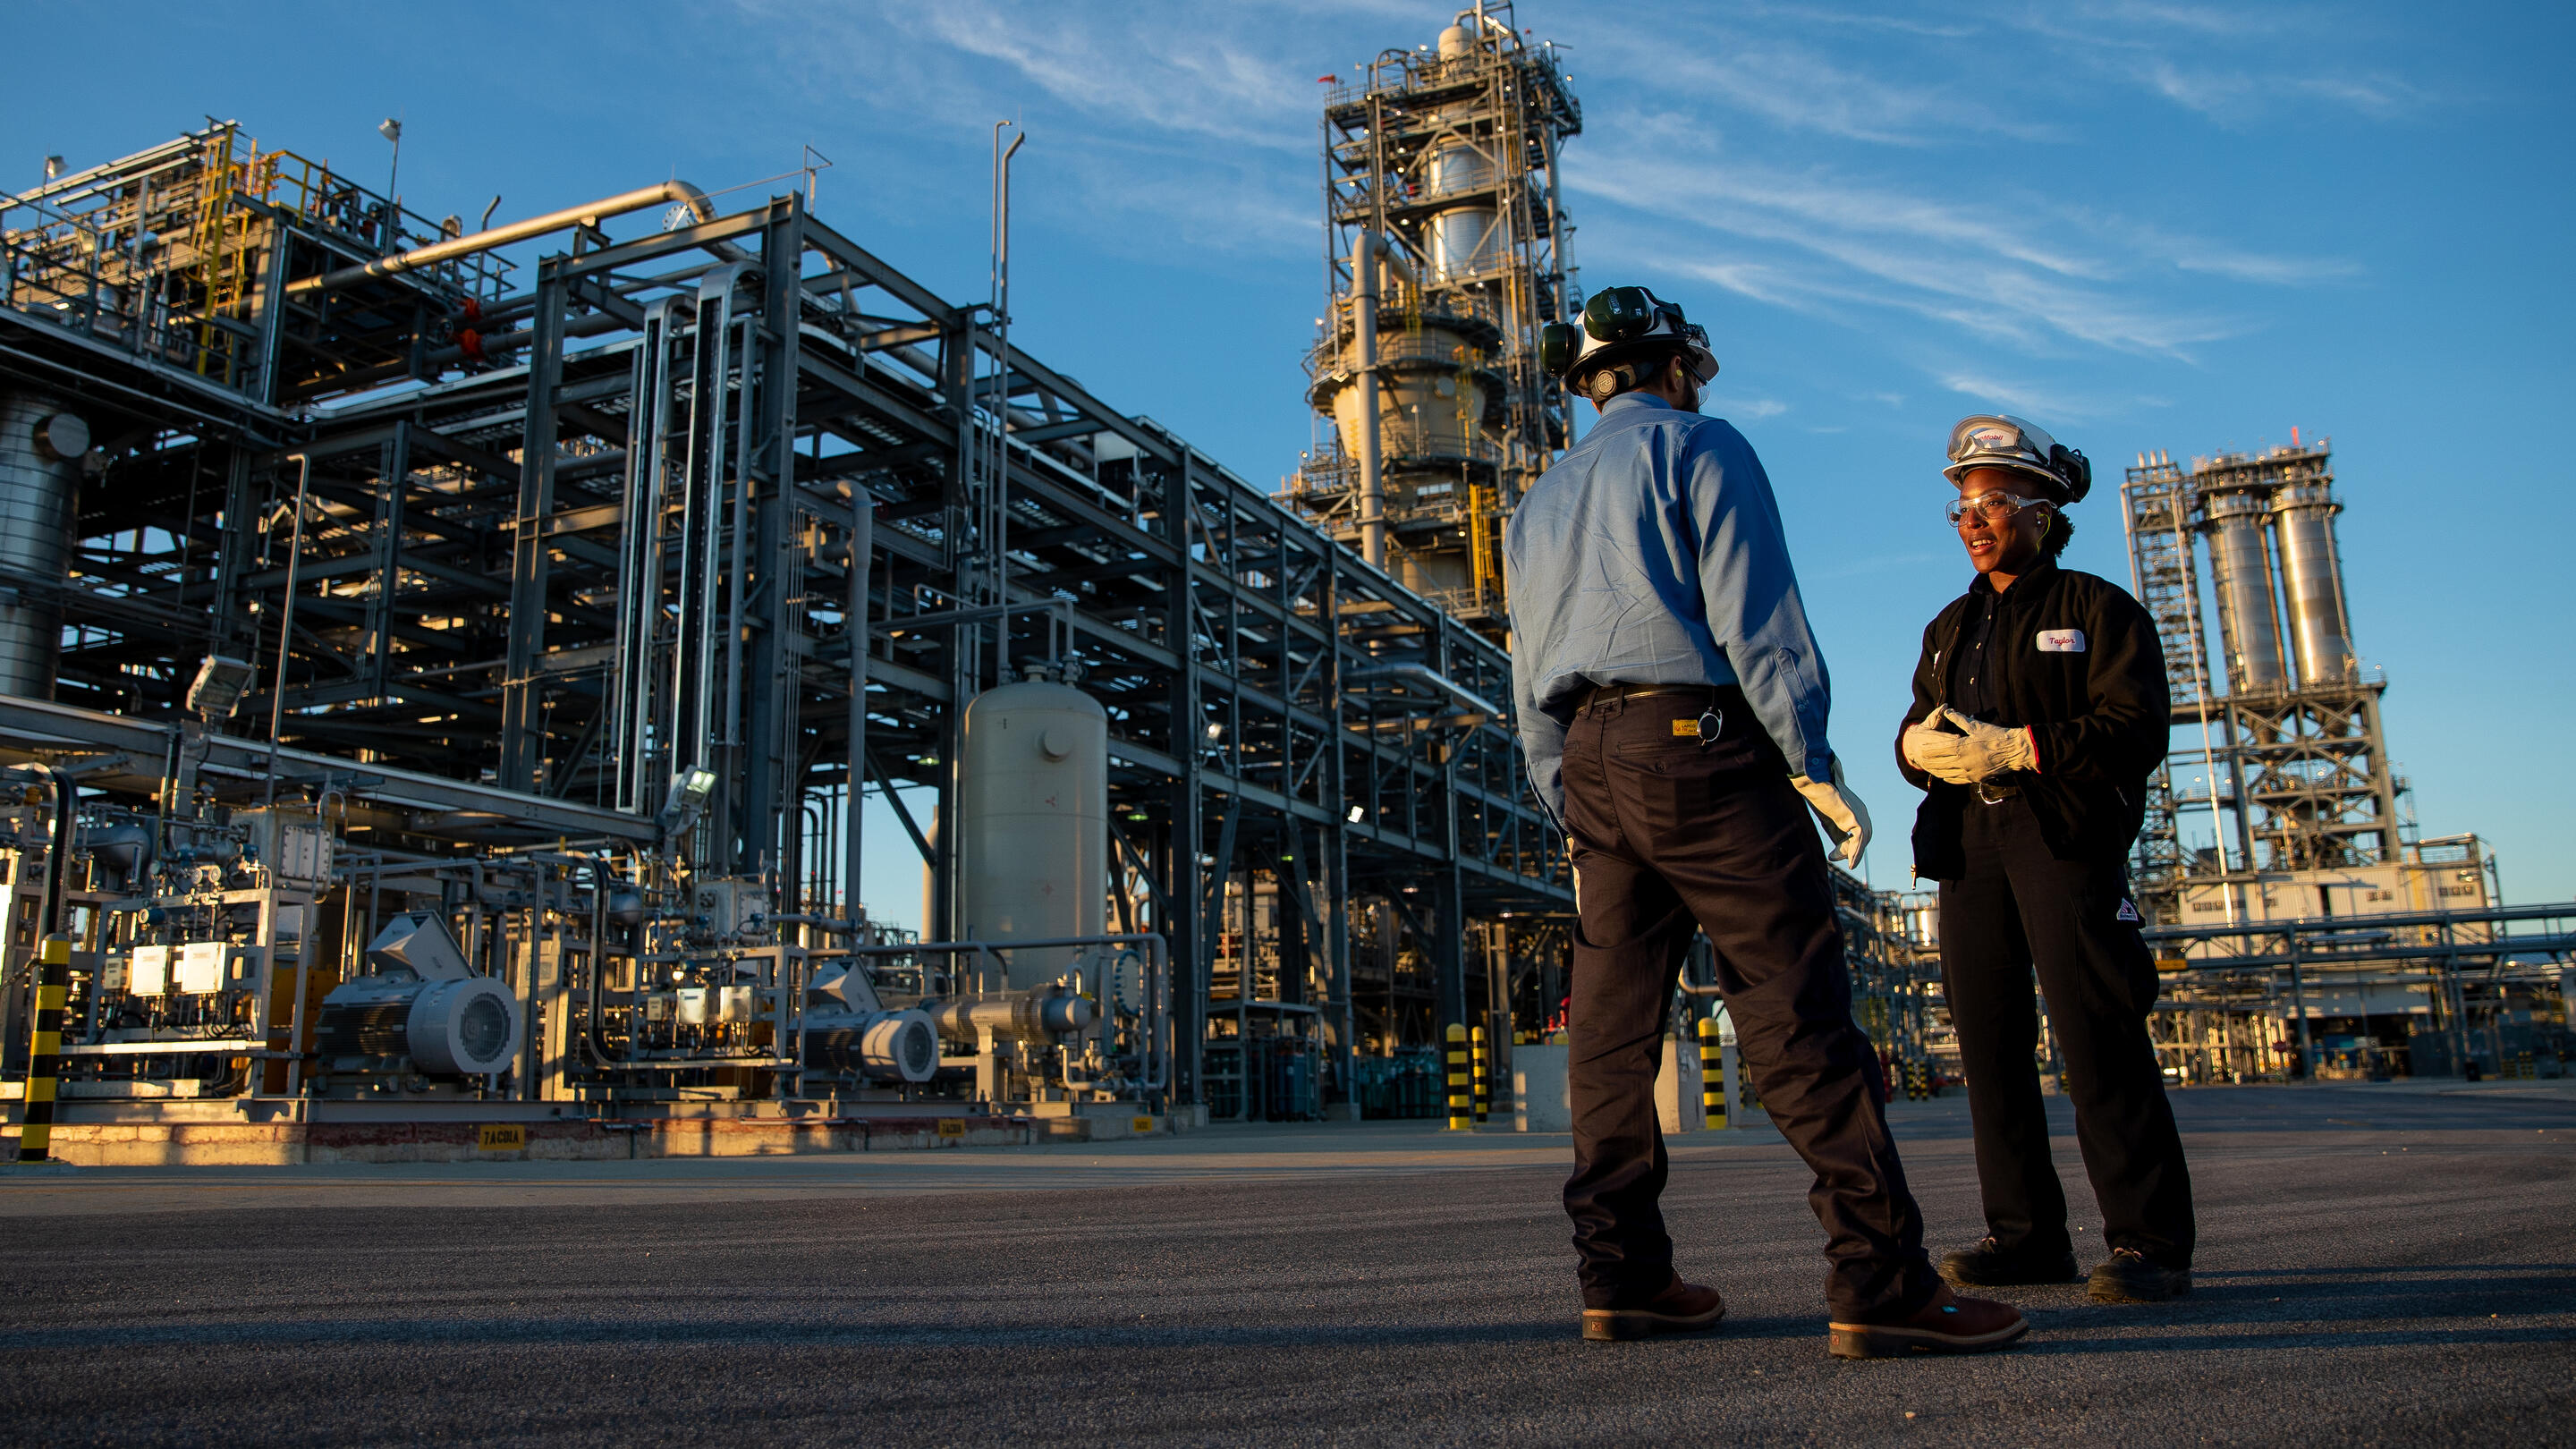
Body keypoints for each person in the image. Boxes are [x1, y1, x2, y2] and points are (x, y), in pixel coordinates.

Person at [1504, 286, 2026, 1358]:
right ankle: (1879, 1282)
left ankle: (1624, 1278)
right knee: (1793, 1014)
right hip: (1698, 746)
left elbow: (1525, 679)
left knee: (1609, 1040)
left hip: (1592, 763)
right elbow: (1760, 620)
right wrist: (1811, 760)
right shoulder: (1702, 447)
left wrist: (1567, 793)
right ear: (1674, 366)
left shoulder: (1540, 499)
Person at [1895, 414, 2197, 1304]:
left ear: (2043, 513)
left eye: (1992, 503)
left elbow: (2134, 729)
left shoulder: (2097, 611)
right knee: (1989, 1045)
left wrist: (2022, 748)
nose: (1973, 521)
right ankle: (2024, 1236)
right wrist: (1918, 753)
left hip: (2063, 839)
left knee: (2096, 1035)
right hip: (1969, 846)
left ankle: (2149, 1243)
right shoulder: (1950, 628)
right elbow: (1913, 727)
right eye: (1962, 508)